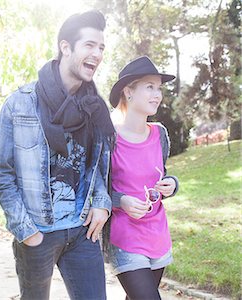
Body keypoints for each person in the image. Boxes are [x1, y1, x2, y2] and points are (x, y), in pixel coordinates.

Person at [0, 10, 115, 300]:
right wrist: (26, 229)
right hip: (37, 232)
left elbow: (96, 165)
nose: (96, 54)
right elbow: (1, 172)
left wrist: (101, 202)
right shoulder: (20, 104)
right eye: (89, 45)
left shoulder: (95, 107)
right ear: (65, 47)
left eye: (101, 48)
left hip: (82, 231)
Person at [106, 56, 179, 300]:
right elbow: (97, 189)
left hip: (157, 234)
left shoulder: (160, 134)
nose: (157, 94)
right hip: (125, 237)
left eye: (159, 88)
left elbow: (162, 174)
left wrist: (172, 185)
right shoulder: (109, 138)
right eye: (149, 87)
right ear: (128, 91)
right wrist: (122, 201)